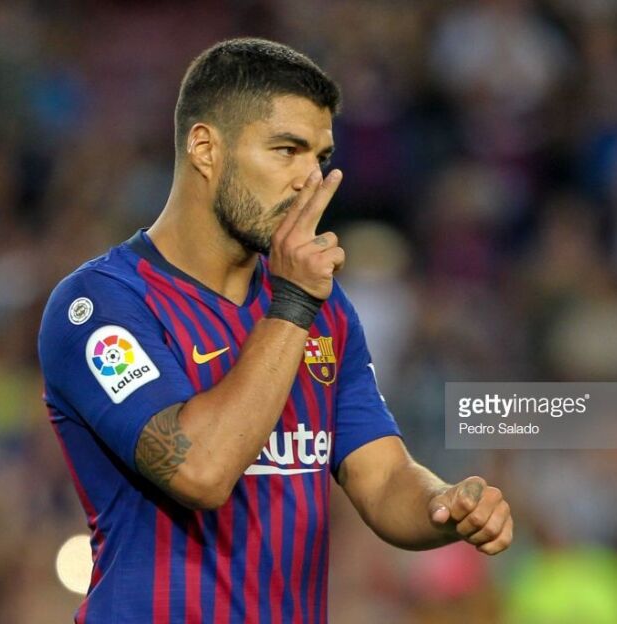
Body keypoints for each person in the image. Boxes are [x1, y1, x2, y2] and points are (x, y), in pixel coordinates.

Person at [38, 38, 512, 623]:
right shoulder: (100, 304)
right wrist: (292, 302)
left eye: (320, 157)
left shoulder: (324, 309)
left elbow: (383, 477)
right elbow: (199, 470)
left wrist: (444, 504)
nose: (310, 180)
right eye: (286, 150)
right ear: (205, 148)